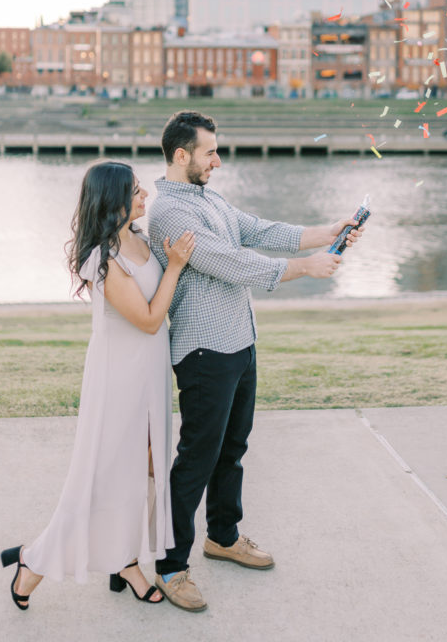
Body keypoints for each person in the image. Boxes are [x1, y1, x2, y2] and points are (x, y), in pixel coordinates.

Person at [148, 111, 366, 612]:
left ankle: (222, 536)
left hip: (239, 342)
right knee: (196, 461)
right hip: (204, 350)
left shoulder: (209, 198)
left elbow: (259, 230)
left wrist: (327, 231)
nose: (217, 160)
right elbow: (231, 262)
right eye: (209, 152)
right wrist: (306, 269)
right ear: (181, 156)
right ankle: (170, 567)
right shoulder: (170, 214)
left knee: (233, 448)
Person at [0, 160, 195, 610]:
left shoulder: (140, 240)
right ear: (115, 200)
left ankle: (125, 561)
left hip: (148, 376)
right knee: (100, 479)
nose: (146, 196)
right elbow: (148, 320)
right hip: (118, 380)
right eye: (137, 191)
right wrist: (176, 267)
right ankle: (32, 561)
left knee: (141, 472)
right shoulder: (103, 259)